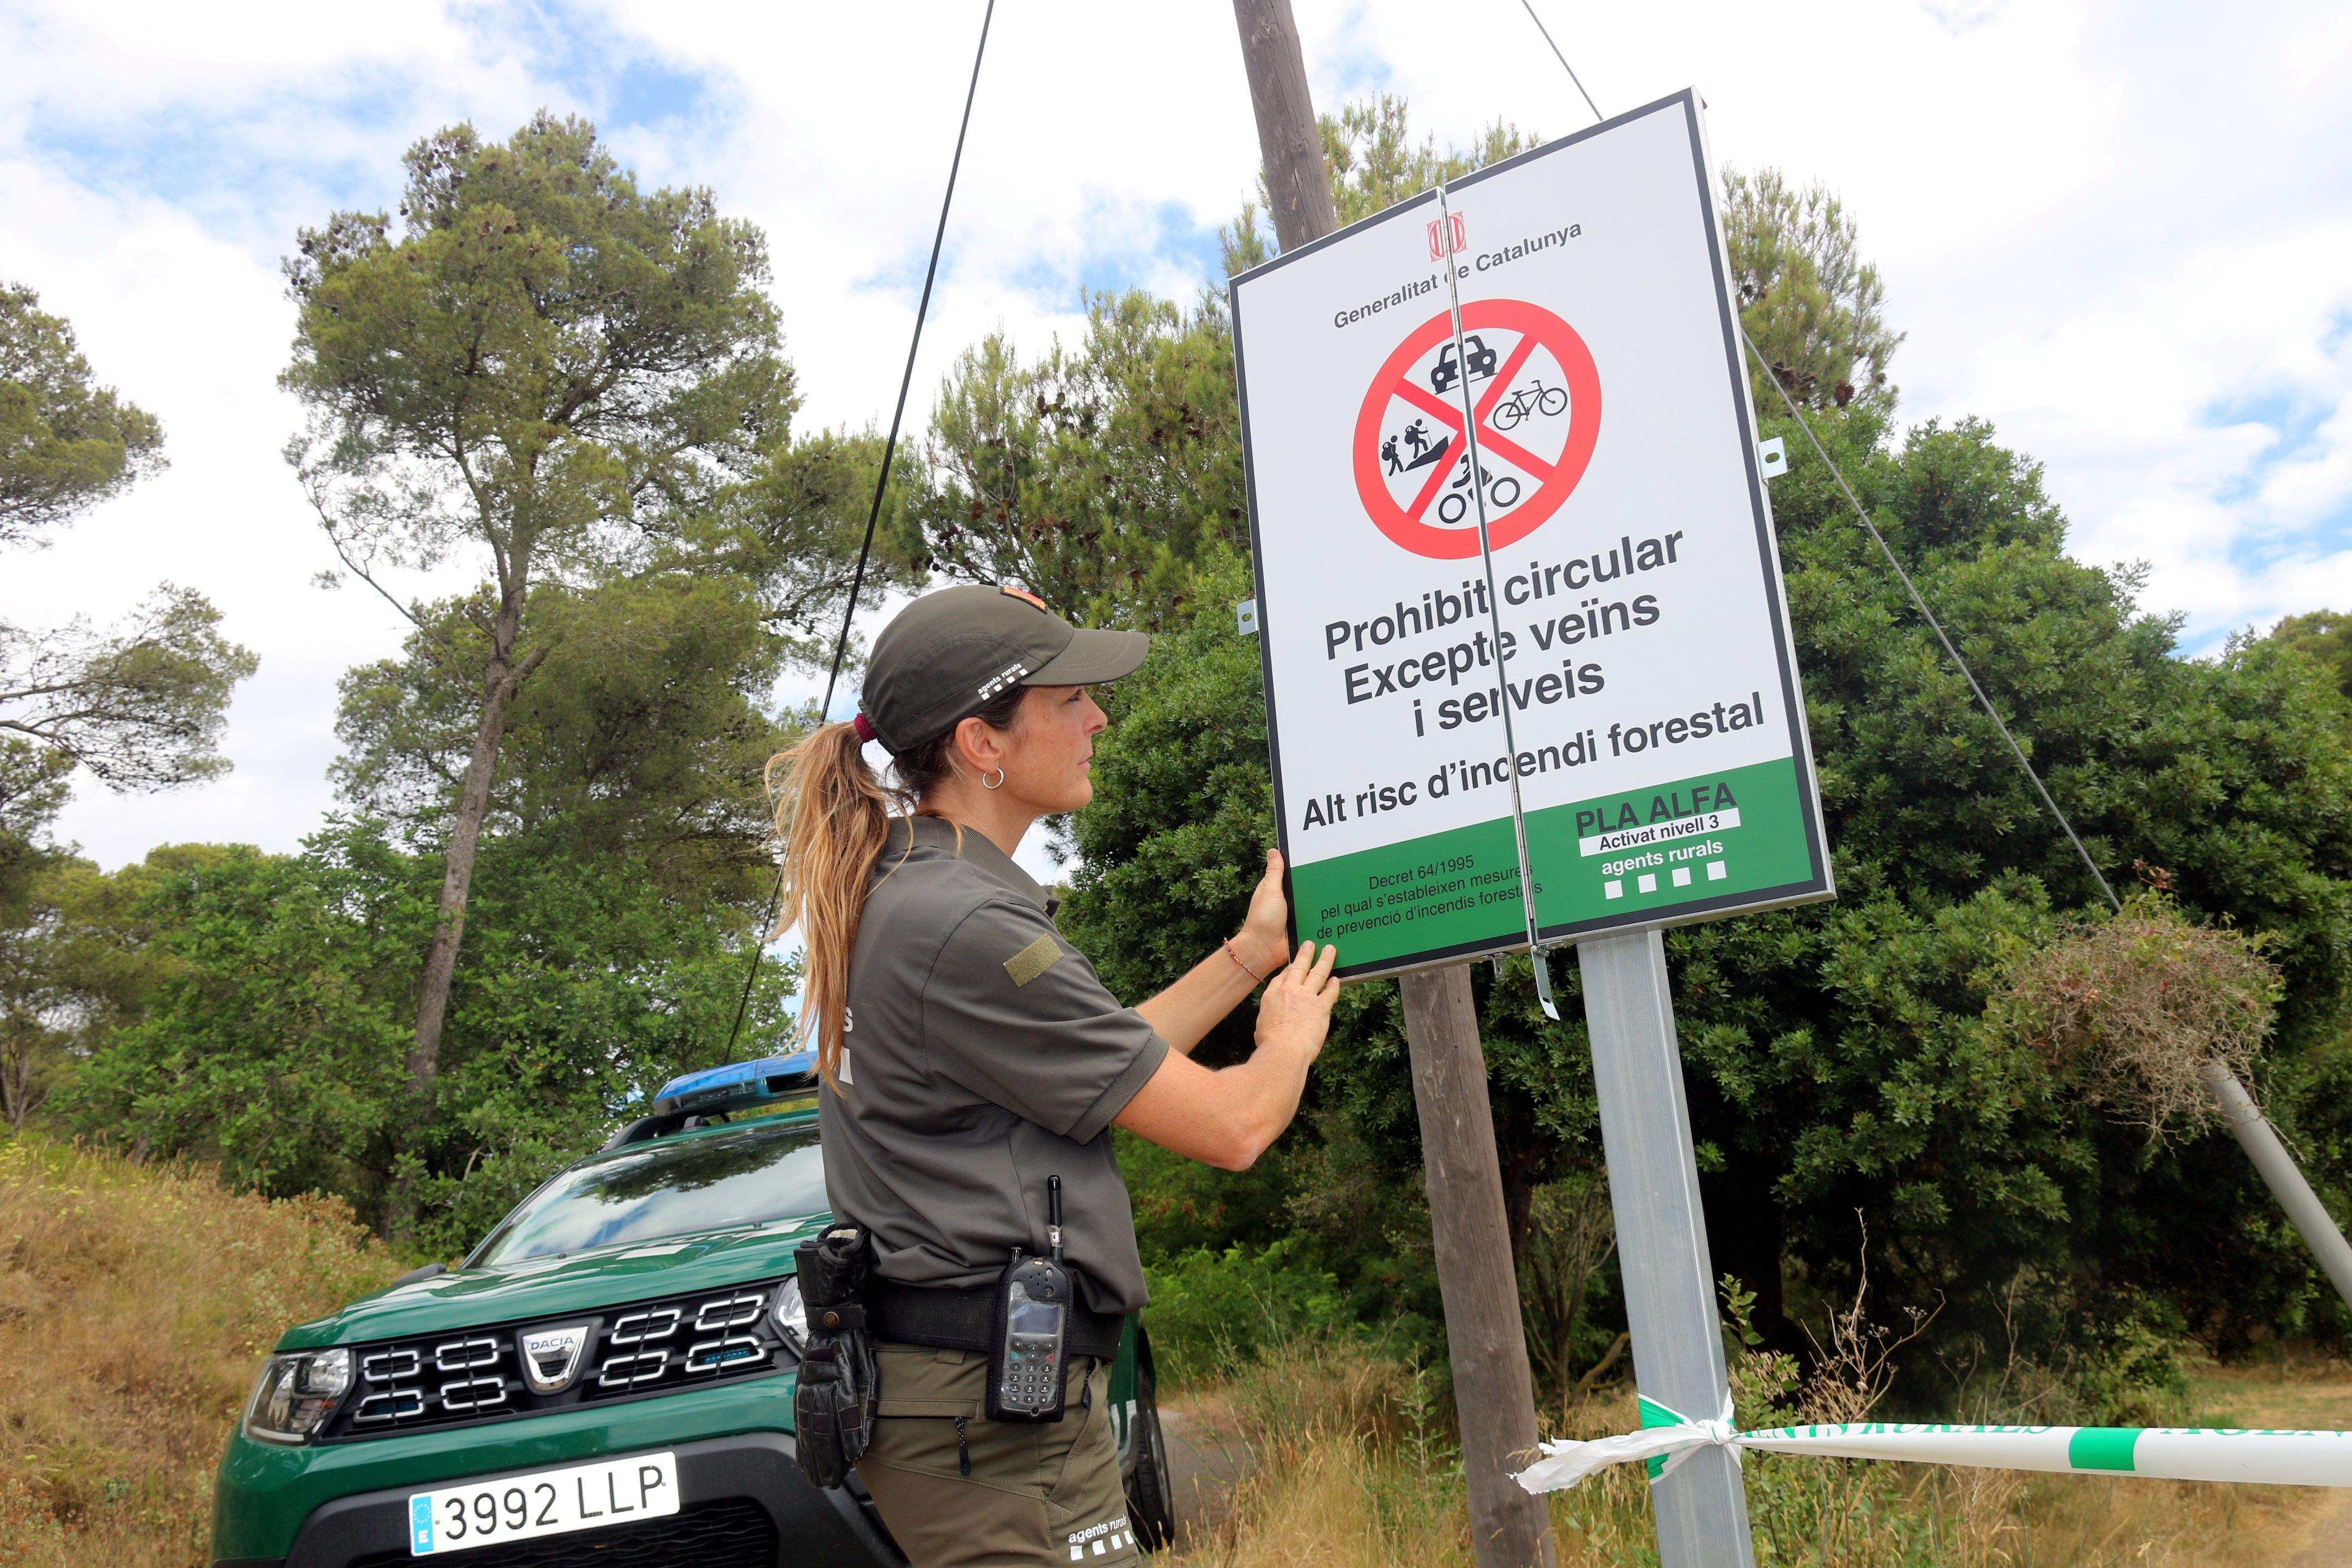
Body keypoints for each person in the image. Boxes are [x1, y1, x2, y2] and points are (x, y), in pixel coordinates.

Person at [767, 584, 1340, 1568]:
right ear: (981, 743)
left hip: (979, 1404)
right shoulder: (965, 924)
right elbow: (1234, 1127)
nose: (1097, 718)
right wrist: (1287, 1036)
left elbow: (1103, 1062)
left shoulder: (913, 889)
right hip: (986, 1423)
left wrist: (1249, 959)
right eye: (1069, 698)